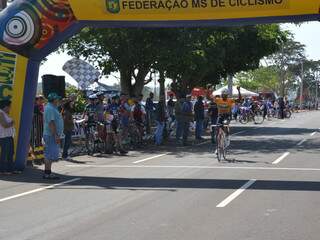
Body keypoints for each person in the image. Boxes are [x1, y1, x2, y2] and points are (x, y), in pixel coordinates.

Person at [43, 93, 64, 180]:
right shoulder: (50, 108)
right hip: (51, 135)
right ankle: (47, 173)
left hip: (52, 134)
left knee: (50, 154)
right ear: (54, 100)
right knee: (49, 154)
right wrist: (55, 135)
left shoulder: (52, 107)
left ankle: (48, 173)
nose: (59, 100)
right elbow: (51, 123)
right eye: (57, 99)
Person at [0, 100, 15, 174]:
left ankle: (10, 169)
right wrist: (12, 123)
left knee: (10, 153)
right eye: (10, 106)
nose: (10, 108)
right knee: (5, 153)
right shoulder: (1, 113)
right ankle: (2, 170)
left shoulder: (5, 113)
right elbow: (4, 125)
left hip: (9, 136)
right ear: (6, 106)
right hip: (4, 137)